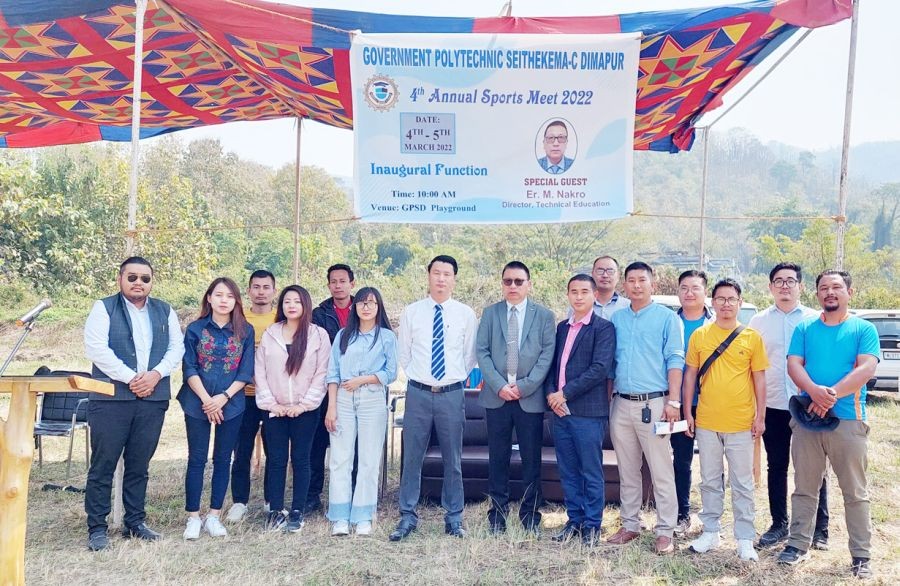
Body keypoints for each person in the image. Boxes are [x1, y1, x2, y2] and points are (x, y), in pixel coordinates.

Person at [777, 270, 879, 580]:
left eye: (836, 287)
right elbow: (794, 364)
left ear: (850, 291)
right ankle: (796, 545)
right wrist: (815, 392)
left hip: (848, 420)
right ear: (817, 294)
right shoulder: (805, 328)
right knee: (804, 487)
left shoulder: (864, 329)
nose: (830, 292)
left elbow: (867, 367)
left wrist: (829, 395)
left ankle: (861, 555)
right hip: (808, 418)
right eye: (824, 288)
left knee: (854, 491)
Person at [83, 257, 184, 551]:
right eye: (132, 277)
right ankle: (97, 528)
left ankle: (135, 522)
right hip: (111, 399)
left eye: (145, 278)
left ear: (152, 281)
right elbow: (97, 349)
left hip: (153, 398)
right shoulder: (103, 308)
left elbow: (176, 348)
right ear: (120, 279)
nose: (138, 283)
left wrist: (155, 375)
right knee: (103, 464)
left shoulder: (165, 310)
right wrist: (131, 378)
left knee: (140, 464)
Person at [390, 255, 478, 541]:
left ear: (454, 278)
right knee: (412, 457)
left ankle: (453, 517)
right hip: (418, 392)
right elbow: (404, 354)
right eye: (436, 273)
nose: (441, 278)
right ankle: (407, 516)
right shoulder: (412, 312)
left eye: (447, 274)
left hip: (452, 394)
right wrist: (423, 379)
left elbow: (469, 357)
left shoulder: (465, 313)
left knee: (453, 459)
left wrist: (449, 379)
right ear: (428, 276)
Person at [683, 278, 769, 562]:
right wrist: (687, 412)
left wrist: (761, 416)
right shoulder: (700, 336)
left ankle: (744, 538)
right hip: (707, 420)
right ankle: (710, 531)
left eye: (732, 299)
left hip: (742, 423)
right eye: (720, 298)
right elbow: (690, 376)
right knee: (709, 479)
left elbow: (759, 378)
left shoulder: (751, 337)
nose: (726, 304)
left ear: (740, 303)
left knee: (742, 482)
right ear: (712, 301)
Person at [749, 263, 829, 550]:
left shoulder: (814, 319)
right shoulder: (757, 322)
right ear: (770, 287)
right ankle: (779, 524)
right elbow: (752, 367)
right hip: (772, 405)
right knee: (777, 466)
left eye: (790, 281)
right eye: (778, 281)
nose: (785, 285)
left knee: (813, 467)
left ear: (800, 286)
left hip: (808, 404)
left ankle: (820, 529)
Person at [607, 261, 683, 555]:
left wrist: (673, 401)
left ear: (653, 284)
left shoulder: (666, 318)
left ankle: (665, 531)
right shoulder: (617, 319)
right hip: (621, 403)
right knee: (627, 470)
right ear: (624, 285)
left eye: (642, 280)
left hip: (655, 403)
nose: (636, 285)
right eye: (631, 280)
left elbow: (675, 359)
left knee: (661, 470)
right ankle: (630, 525)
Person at [475, 261, 556, 536]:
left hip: (529, 398)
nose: (513, 286)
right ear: (502, 284)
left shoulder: (544, 316)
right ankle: (497, 513)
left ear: (529, 284)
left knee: (531, 459)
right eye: (508, 281)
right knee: (497, 458)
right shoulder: (490, 313)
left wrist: (525, 385)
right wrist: (499, 385)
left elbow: (547, 355)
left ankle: (530, 513)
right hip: (496, 397)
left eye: (518, 281)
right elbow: (482, 352)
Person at [178, 277, 255, 539]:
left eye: (230, 296)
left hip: (231, 403)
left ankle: (213, 515)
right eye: (219, 295)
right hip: (196, 401)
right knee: (196, 459)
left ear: (236, 301)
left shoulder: (245, 330)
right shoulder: (195, 329)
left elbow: (245, 372)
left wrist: (222, 398)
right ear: (209, 298)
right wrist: (206, 400)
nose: (224, 300)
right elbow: (189, 367)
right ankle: (192, 518)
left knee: (224, 459)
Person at [545, 274, 616, 545]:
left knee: (590, 470)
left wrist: (564, 394)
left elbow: (599, 369)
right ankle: (574, 520)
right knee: (568, 469)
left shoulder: (603, 328)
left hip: (587, 412)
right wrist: (553, 395)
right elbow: (553, 367)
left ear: (594, 295)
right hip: (560, 411)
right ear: (568, 295)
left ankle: (592, 525)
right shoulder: (562, 327)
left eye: (584, 291)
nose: (578, 296)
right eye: (573, 291)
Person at [255, 285, 331, 533]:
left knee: (301, 459)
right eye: (287, 301)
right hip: (274, 410)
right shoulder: (271, 334)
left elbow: (322, 373)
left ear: (305, 305)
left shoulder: (318, 335)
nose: (291, 305)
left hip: (306, 411)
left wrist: (304, 405)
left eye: (297, 301)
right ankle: (275, 510)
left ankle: (298, 510)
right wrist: (271, 404)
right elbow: (260, 373)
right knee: (276, 460)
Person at [324, 287, 398, 536]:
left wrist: (363, 379)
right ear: (355, 307)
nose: (366, 307)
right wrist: (331, 406)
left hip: (372, 399)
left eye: (371, 303)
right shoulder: (344, 335)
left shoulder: (386, 337)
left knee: (368, 459)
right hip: (343, 400)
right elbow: (333, 373)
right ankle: (340, 516)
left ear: (379, 307)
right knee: (340, 459)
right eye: (361, 303)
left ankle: (364, 515)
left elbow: (391, 373)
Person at [227, 269, 278, 522]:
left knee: (274, 450)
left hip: (273, 395)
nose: (261, 292)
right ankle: (239, 501)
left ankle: (271, 500)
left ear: (274, 291)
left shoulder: (281, 318)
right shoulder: (237, 317)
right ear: (248, 291)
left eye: (266, 287)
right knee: (242, 449)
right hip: (242, 394)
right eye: (256, 287)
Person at [308, 264, 356, 514]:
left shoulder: (366, 306)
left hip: (358, 386)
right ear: (328, 285)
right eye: (333, 282)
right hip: (326, 386)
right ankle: (312, 495)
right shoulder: (319, 313)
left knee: (355, 443)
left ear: (352, 283)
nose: (338, 285)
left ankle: (356, 493)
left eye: (342, 281)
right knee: (318, 442)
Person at [670, 269, 714, 536]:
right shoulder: (669, 321)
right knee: (681, 459)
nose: (689, 293)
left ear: (704, 292)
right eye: (684, 287)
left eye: (695, 288)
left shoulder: (716, 324)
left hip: (711, 403)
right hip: (675, 402)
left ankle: (712, 517)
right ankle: (681, 513)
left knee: (712, 461)